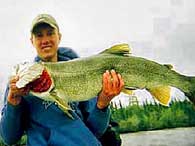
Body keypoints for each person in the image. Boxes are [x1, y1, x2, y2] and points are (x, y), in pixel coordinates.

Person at [0, 14, 124, 146]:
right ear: (32, 41)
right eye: (39, 35)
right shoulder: (21, 81)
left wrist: (103, 104)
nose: (45, 40)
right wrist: (13, 101)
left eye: (50, 33)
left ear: (59, 36)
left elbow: (96, 130)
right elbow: (9, 138)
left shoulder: (82, 73)